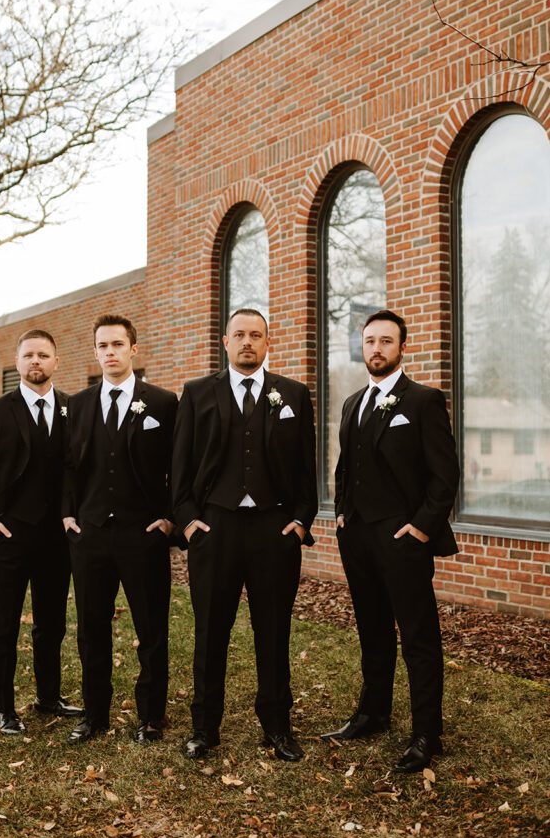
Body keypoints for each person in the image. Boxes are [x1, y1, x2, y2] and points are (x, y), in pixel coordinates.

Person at [173, 308, 318, 762]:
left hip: (274, 530)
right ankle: (204, 727)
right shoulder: (197, 393)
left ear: (268, 342)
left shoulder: (293, 393)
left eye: (256, 335)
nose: (248, 342)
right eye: (239, 334)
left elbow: (306, 466)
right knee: (210, 631)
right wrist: (189, 521)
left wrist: (301, 520)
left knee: (273, 632)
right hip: (215, 528)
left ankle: (277, 726)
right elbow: (180, 467)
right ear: (225, 341)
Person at [321, 309, 460, 773]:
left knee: (418, 637)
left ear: (402, 347)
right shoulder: (352, 402)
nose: (376, 349)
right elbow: (345, 465)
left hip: (403, 539)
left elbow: (445, 475)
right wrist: (342, 512)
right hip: (357, 537)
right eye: (370, 341)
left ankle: (426, 733)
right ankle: (373, 714)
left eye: (386, 341)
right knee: (372, 630)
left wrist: (420, 527)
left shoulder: (422, 401)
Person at [62, 314, 177, 744]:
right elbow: (67, 465)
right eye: (102, 346)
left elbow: (177, 465)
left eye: (117, 344)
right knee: (91, 630)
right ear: (95, 351)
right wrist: (68, 514)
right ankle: (94, 715)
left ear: (133, 349)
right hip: (90, 535)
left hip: (143, 534)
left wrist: (169, 517)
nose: (109, 352)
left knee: (151, 629)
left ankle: (151, 717)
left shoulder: (162, 403)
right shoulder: (78, 404)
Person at [0, 329, 82, 734]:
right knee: (3, 625)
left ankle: (48, 698)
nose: (36, 361)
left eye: (43, 355)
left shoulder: (72, 408)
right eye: (29, 355)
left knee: (52, 624)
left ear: (56, 362)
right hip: (9, 536)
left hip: (56, 539)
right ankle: (2, 707)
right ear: (17, 362)